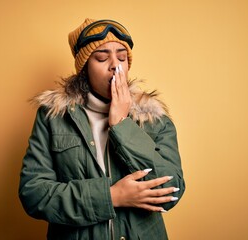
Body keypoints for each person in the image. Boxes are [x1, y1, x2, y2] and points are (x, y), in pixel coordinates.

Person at [19, 18, 185, 240]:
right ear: (84, 67)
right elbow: (34, 193)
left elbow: (171, 190)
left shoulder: (153, 118)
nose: (115, 65)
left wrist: (122, 126)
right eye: (102, 57)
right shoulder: (53, 117)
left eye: (122, 57)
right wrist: (111, 196)